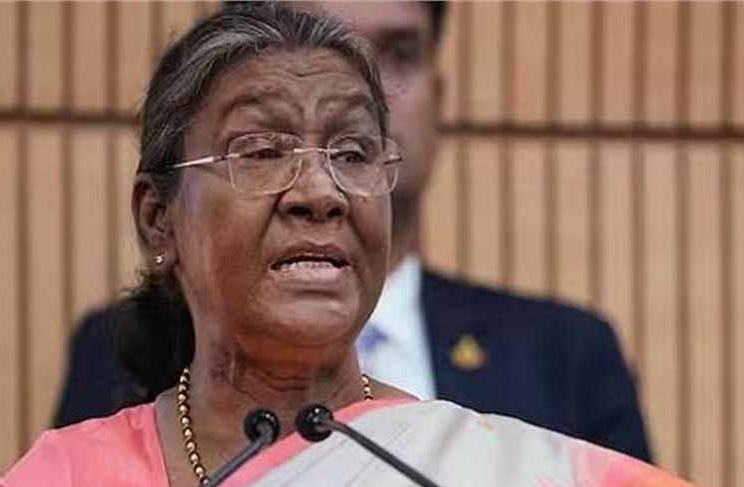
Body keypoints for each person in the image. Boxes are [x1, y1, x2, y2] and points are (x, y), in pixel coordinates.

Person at [0, 3, 744, 487]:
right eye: (262, 150)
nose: (321, 191)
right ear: (157, 219)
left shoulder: (495, 479)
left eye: (355, 152)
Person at [53, 1, 652, 463]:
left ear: (439, 95)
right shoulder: (103, 404)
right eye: (263, 149)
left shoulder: (567, 355)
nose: (366, 85)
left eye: (398, 54)